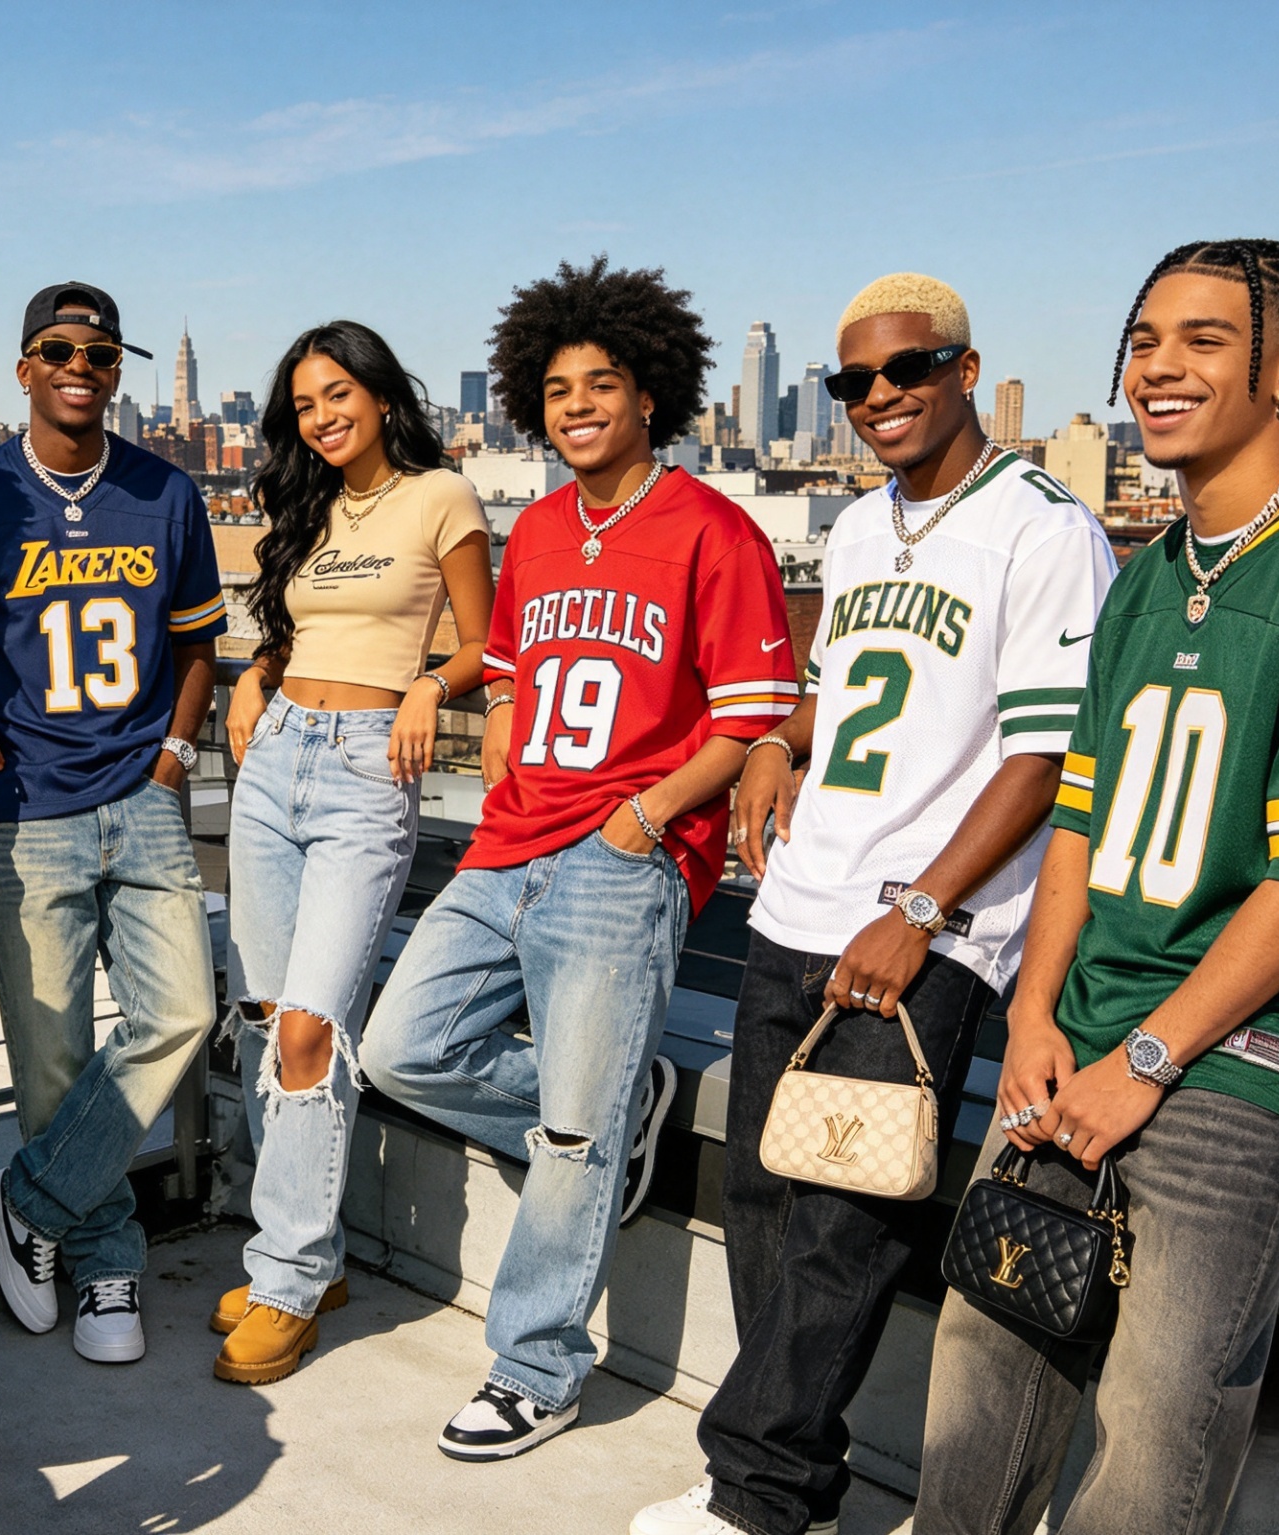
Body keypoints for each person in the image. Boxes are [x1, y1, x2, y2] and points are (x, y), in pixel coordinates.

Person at [912, 241, 1279, 1535]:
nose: (1157, 364)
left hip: (1242, 1058)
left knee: (1150, 1433)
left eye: (1203, 339)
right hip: (1079, 1035)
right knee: (976, 1386)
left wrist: (1146, 1055)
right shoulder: (1149, 570)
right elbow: (1078, 819)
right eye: (1145, 336)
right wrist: (1034, 1013)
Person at [633, 276, 1116, 1535]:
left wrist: (922, 907)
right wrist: (778, 737)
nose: (878, 398)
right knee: (762, 1197)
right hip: (797, 901)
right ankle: (785, 1474)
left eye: (909, 370)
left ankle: (756, 1495)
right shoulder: (857, 530)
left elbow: (1045, 756)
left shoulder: (1043, 527)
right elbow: (850, 685)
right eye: (853, 383)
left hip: (921, 930)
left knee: (844, 1220)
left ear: (966, 369)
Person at [362, 257, 797, 1461]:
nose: (577, 405)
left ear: (651, 394)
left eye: (601, 383)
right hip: (509, 844)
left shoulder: (716, 528)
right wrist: (505, 768)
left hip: (621, 862)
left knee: (568, 1136)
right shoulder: (540, 528)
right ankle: (615, 1109)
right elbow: (503, 678)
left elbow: (751, 719)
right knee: (402, 1046)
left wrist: (648, 819)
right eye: (556, 389)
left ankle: (536, 1366)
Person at [0, 281, 225, 1365]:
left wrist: (176, 754)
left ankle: (29, 1201)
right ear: (23, 368)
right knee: (51, 1060)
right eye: (57, 349)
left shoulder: (166, 490)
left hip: (142, 797)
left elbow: (198, 642)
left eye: (100, 354)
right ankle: (104, 1264)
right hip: (25, 811)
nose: (80, 367)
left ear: (118, 370)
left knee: (183, 1011)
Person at [212, 321, 493, 1385]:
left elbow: (486, 641)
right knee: (258, 1021)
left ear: (381, 394)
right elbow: (301, 627)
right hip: (275, 754)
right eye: (305, 404)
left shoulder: (442, 495)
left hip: (368, 770)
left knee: (309, 1031)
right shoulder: (309, 503)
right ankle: (307, 1253)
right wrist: (254, 672)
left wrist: (429, 685)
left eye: (340, 395)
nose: (323, 417)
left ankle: (284, 1280)